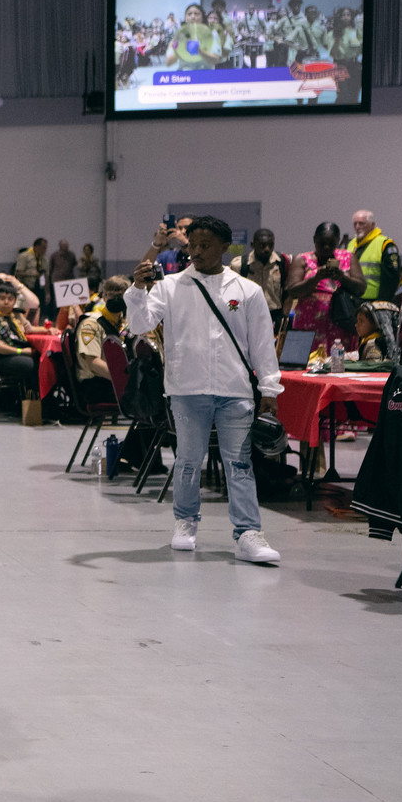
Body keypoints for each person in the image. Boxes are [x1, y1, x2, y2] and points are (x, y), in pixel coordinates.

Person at [125, 215, 282, 564]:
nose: (195, 252)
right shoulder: (170, 287)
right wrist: (137, 290)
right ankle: (185, 522)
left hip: (235, 389)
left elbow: (261, 345)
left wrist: (269, 388)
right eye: (192, 245)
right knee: (187, 461)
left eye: (205, 245)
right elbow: (139, 324)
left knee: (239, 463)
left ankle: (247, 534)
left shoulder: (248, 291)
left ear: (225, 248)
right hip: (187, 388)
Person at [281, 221, 365, 360]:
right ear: (314, 240)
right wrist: (316, 277)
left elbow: (361, 288)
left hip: (340, 326)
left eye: (331, 244)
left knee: (340, 367)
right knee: (306, 368)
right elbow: (293, 290)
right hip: (308, 327)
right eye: (321, 243)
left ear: (338, 241)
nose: (326, 247)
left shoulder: (348, 258)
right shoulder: (302, 259)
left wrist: (341, 277)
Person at [74, 275, 129, 408]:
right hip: (96, 384)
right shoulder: (91, 324)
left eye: (120, 295)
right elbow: (93, 363)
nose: (116, 299)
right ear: (104, 296)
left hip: (113, 379)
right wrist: (125, 380)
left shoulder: (123, 323)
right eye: (111, 295)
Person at [0, 282, 40, 406]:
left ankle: (38, 401)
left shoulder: (13, 317)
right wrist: (20, 352)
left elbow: (29, 330)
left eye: (10, 299)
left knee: (44, 360)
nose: (7, 302)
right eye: (2, 298)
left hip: (13, 356)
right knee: (32, 364)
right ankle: (34, 404)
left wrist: (48, 330)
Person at [230, 229, 285, 328]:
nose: (267, 249)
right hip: (248, 315)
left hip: (274, 315)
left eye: (271, 245)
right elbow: (231, 293)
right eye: (262, 245)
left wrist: (283, 316)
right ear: (253, 245)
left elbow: (287, 293)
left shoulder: (281, 263)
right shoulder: (240, 265)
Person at [349, 210, 402, 306]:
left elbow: (391, 279)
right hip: (351, 302)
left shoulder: (385, 244)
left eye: (361, 223)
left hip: (374, 302)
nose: (357, 227)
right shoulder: (351, 244)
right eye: (355, 224)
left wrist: (381, 303)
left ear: (372, 225)